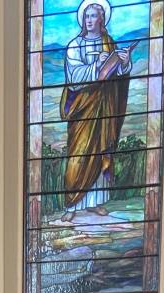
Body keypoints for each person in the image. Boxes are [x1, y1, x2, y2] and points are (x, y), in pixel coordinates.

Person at [60, 1, 132, 222]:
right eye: (87, 16)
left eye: (93, 16)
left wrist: (124, 63)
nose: (89, 20)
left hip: (104, 107)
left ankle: (95, 202)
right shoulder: (75, 45)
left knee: (101, 151)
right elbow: (73, 77)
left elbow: (117, 75)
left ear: (102, 19)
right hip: (83, 108)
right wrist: (96, 67)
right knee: (78, 155)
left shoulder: (109, 43)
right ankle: (72, 203)